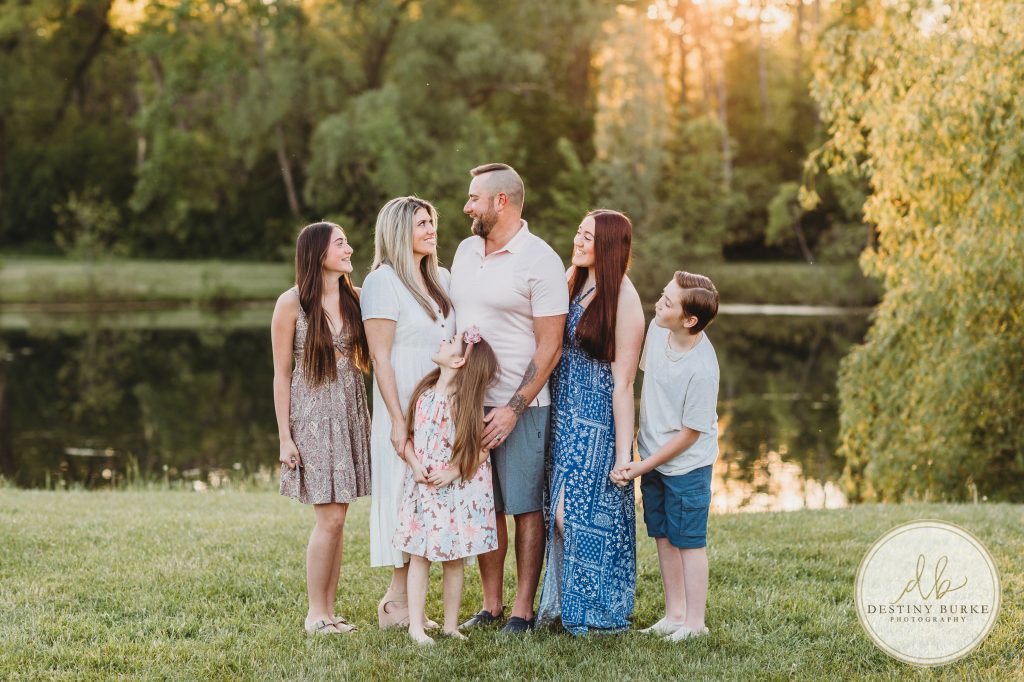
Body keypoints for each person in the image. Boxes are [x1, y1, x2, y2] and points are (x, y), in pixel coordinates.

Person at [450, 163, 569, 633]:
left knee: (523, 507)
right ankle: (491, 604)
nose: (466, 206)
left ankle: (522, 611)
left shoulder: (540, 259)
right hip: (468, 401)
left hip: (523, 407)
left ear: (501, 201)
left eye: (474, 198)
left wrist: (514, 408)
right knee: (485, 505)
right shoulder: (463, 250)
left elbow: (550, 345)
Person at [536, 210, 645, 635]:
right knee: (559, 512)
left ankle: (598, 609)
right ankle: (567, 607)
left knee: (580, 516)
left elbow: (624, 385)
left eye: (587, 237)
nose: (578, 242)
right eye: (578, 233)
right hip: (564, 414)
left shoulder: (626, 299)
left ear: (609, 247)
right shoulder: (576, 279)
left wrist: (623, 455)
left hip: (597, 420)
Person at [271, 222, 372, 636]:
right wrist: (284, 437)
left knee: (339, 517)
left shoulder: (357, 298)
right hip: (312, 420)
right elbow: (280, 375)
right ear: (317, 254)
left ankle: (329, 611)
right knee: (328, 518)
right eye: (340, 243)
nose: (349, 248)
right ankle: (315, 615)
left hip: (348, 415)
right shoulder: (292, 303)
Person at [361, 196, 454, 630]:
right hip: (402, 405)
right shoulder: (383, 281)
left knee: (429, 498)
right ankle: (394, 602)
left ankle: (408, 603)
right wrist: (399, 422)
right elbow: (380, 358)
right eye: (421, 223)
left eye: (432, 221)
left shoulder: (441, 279)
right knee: (405, 495)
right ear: (399, 231)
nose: (432, 229)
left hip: (440, 407)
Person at [611, 271, 720, 642]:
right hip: (652, 454)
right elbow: (643, 384)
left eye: (668, 302)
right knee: (662, 534)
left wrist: (643, 465)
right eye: (663, 295)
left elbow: (691, 433)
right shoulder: (659, 331)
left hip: (686, 465)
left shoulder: (702, 368)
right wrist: (638, 451)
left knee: (689, 540)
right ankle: (674, 614)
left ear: (690, 320)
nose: (659, 303)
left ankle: (695, 623)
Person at [393, 327, 501, 645]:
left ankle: (450, 626)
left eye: (450, 342)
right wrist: (414, 465)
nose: (443, 340)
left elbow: (482, 449)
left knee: (454, 561)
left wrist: (454, 471)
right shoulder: (424, 394)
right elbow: (408, 439)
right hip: (424, 489)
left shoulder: (466, 405)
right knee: (420, 556)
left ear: (457, 362)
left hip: (454, 494)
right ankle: (416, 625)